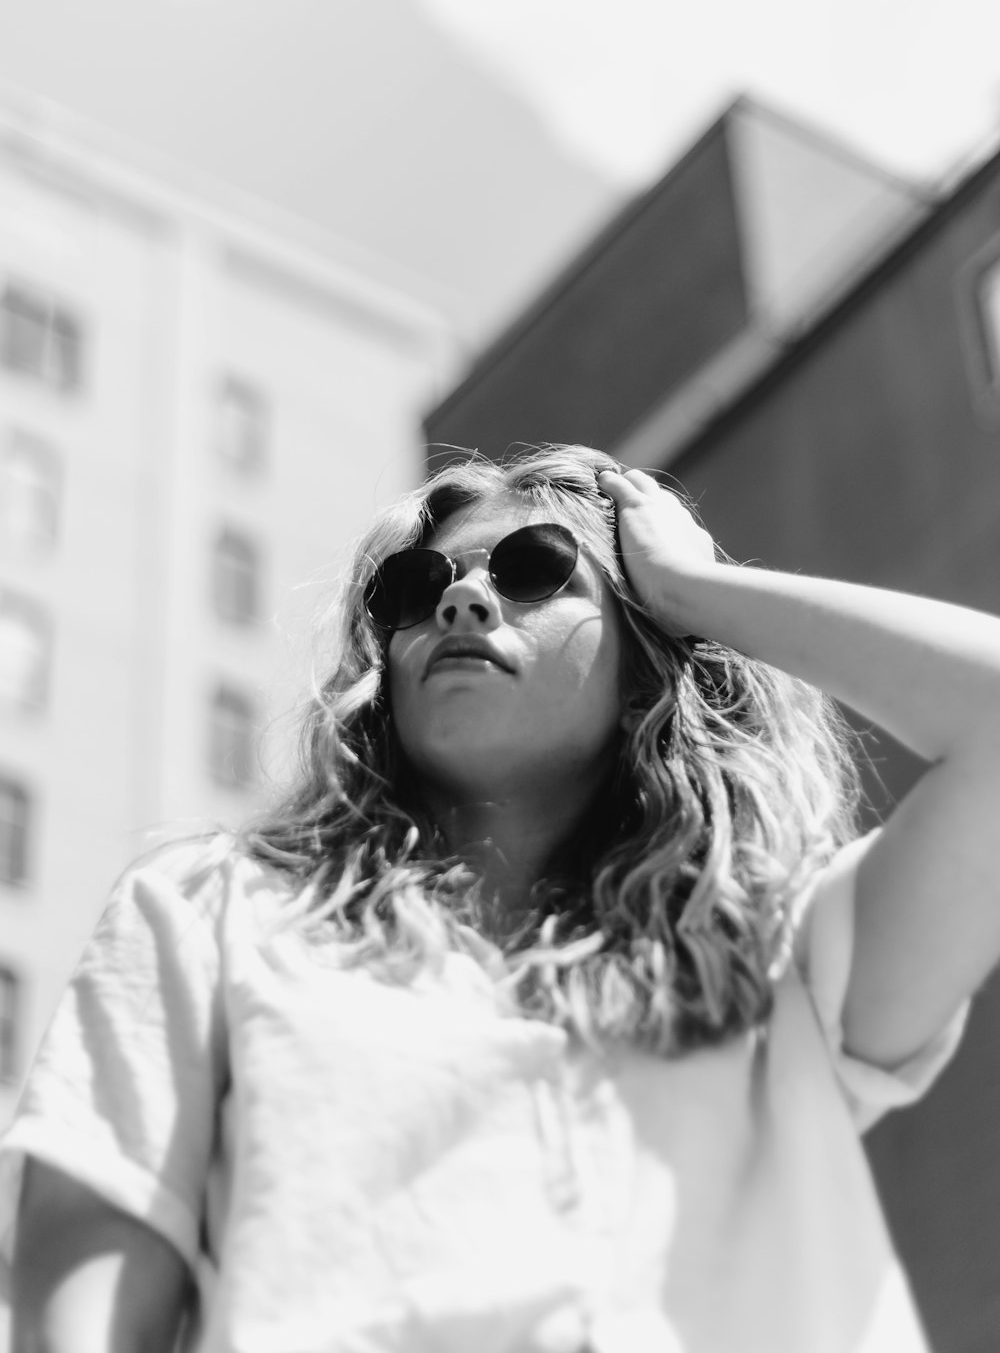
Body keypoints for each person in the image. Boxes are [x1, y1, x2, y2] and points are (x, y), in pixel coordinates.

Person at [3, 443, 1000, 1353]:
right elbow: (89, 1274)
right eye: (417, 584)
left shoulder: (781, 961)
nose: (464, 601)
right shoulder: (212, 907)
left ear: (649, 652)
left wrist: (698, 588)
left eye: (533, 572)